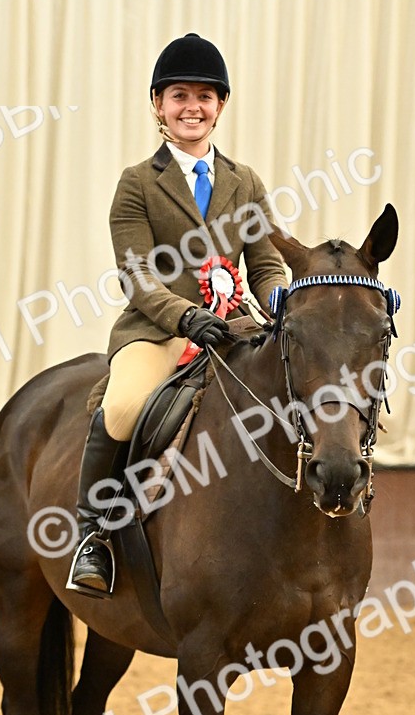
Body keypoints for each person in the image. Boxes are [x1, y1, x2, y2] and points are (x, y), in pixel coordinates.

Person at [69, 33, 288, 597]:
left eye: (205, 96)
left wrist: (280, 302)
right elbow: (136, 275)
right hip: (160, 330)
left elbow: (265, 265)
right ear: (158, 105)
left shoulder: (247, 182)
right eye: (179, 95)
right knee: (120, 408)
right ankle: (93, 535)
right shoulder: (137, 183)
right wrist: (185, 316)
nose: (193, 106)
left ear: (221, 106)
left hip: (234, 326)